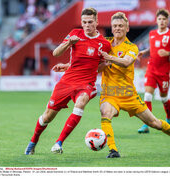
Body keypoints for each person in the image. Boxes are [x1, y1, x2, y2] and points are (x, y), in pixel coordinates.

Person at [98, 12, 170, 158]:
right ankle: (113, 150)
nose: (117, 28)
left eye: (121, 26)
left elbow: (127, 62)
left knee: (154, 123)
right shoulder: (104, 44)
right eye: (115, 26)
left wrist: (109, 58)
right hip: (109, 94)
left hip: (129, 96)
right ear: (111, 27)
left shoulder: (132, 47)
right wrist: (102, 65)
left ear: (127, 28)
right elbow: (95, 67)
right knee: (105, 113)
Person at [25, 8, 111, 155]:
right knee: (47, 117)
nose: (87, 25)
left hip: (86, 84)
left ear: (97, 22)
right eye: (84, 22)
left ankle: (59, 143)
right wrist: (68, 44)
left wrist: (107, 64)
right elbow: (56, 53)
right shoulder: (75, 34)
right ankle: (33, 142)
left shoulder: (104, 44)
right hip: (67, 81)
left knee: (80, 103)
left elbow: (100, 66)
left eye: (90, 22)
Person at [137, 9, 170, 133]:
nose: (162, 21)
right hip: (151, 69)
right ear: (157, 20)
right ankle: (146, 124)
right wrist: (144, 52)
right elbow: (153, 47)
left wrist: (168, 52)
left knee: (163, 98)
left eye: (164, 19)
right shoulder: (152, 33)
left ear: (167, 21)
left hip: (164, 72)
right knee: (147, 95)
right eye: (160, 19)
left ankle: (169, 117)